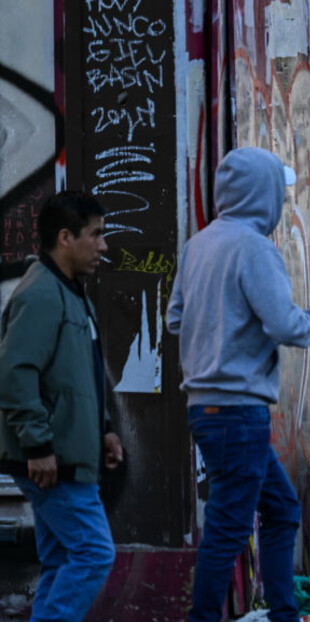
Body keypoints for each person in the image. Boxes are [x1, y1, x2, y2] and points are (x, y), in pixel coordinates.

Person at [167, 147, 310, 622]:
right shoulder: (255, 248)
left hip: (207, 409)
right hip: (239, 411)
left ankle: (284, 612)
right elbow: (287, 326)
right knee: (228, 528)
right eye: (278, 192)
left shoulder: (198, 246)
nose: (281, 202)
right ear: (263, 194)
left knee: (281, 510)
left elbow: (176, 318)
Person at [0, 191, 124, 620]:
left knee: (61, 559)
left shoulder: (71, 293)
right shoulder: (41, 294)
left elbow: (78, 375)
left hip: (69, 455)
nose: (104, 246)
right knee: (94, 554)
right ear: (66, 238)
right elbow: (15, 373)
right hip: (54, 462)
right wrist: (37, 445)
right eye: (96, 235)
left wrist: (104, 429)